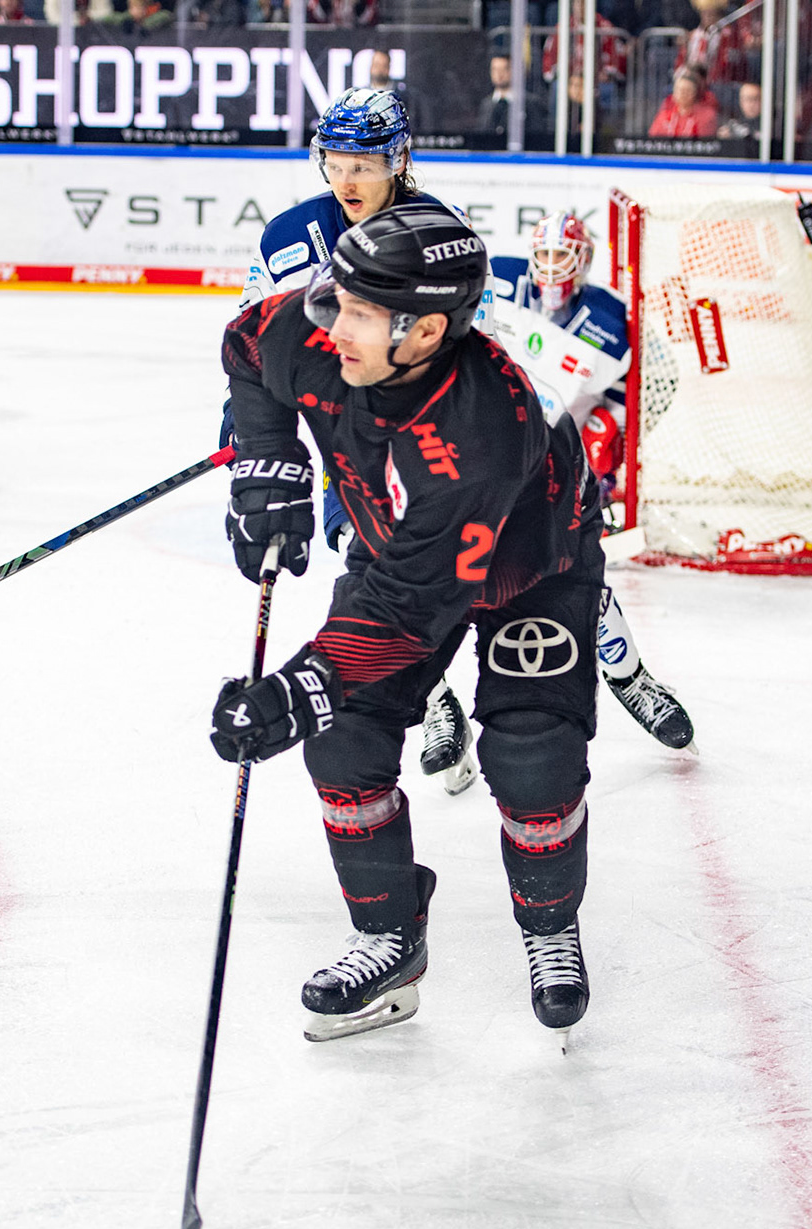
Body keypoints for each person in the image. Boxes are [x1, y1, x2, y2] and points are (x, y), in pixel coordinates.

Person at [211, 205, 604, 1045]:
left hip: (533, 565)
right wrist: (265, 460)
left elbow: (408, 616)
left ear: (426, 331)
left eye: (356, 312)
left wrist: (297, 687)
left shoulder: (479, 434)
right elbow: (246, 346)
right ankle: (389, 936)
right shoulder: (322, 333)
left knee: (533, 751)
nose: (331, 324)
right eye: (335, 299)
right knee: (345, 738)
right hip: (401, 551)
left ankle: (549, 924)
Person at [228, 88, 487, 795]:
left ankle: (432, 695)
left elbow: (474, 352)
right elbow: (253, 334)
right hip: (337, 435)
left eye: (365, 163)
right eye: (335, 160)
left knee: (416, 581)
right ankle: (434, 702)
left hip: (423, 444)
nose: (347, 179)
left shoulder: (440, 233)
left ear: (398, 161)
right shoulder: (287, 235)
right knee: (366, 566)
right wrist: (250, 427)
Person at [480, 211, 696, 753]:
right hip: (487, 456)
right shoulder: (499, 281)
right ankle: (441, 708)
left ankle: (630, 678)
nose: (551, 267)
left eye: (562, 256)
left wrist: (609, 436)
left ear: (583, 261)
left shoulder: (609, 315)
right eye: (545, 254)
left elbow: (655, 384)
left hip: (561, 465)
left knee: (576, 576)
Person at [648, 64, 718, 137]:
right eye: (679, 90)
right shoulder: (664, 116)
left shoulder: (707, 116)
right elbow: (653, 141)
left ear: (695, 93)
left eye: (687, 91)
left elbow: (706, 144)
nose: (682, 94)